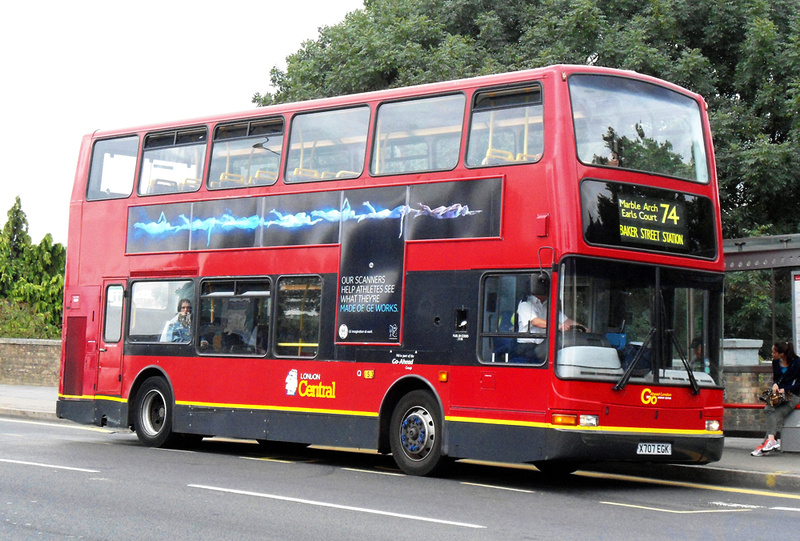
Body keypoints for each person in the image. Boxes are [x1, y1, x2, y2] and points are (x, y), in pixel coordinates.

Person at [751, 341, 800, 456]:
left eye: (774, 352)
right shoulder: (775, 362)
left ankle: (767, 444)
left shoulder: (797, 363)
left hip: (793, 395)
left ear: (782, 353)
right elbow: (777, 379)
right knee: (771, 413)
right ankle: (769, 443)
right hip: (779, 395)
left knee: (772, 413)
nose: (772, 354)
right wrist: (775, 384)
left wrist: (787, 389)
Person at [516, 274, 578, 360]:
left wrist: (581, 326)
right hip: (526, 347)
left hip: (542, 345)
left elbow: (565, 320)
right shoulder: (525, 304)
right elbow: (535, 321)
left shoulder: (547, 305)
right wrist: (558, 325)